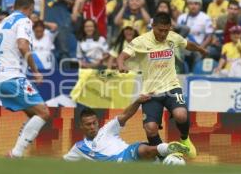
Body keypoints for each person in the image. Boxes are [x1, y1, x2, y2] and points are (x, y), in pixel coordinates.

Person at [117, 12, 208, 159]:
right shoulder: (141, 41)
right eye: (160, 30)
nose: (164, 33)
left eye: (166, 30)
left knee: (181, 114)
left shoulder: (172, 37)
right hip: (151, 91)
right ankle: (165, 156)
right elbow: (122, 55)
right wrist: (121, 65)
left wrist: (200, 49)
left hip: (171, 86)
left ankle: (184, 139)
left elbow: (187, 44)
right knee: (150, 128)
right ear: (153, 26)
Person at [0, 0, 50, 158]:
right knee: (43, 113)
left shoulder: (1, 25)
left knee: (34, 114)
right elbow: (22, 45)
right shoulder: (24, 20)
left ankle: (16, 152)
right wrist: (36, 72)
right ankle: (16, 153)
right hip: (12, 76)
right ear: (30, 8)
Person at [63, 94, 189, 162]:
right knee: (167, 163)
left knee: (141, 149)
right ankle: (169, 154)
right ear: (81, 126)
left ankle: (167, 148)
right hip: (119, 165)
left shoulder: (106, 129)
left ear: (97, 122)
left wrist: (138, 101)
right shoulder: (79, 148)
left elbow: (125, 115)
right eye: (88, 124)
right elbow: (63, 164)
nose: (92, 127)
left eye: (94, 123)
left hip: (129, 152)